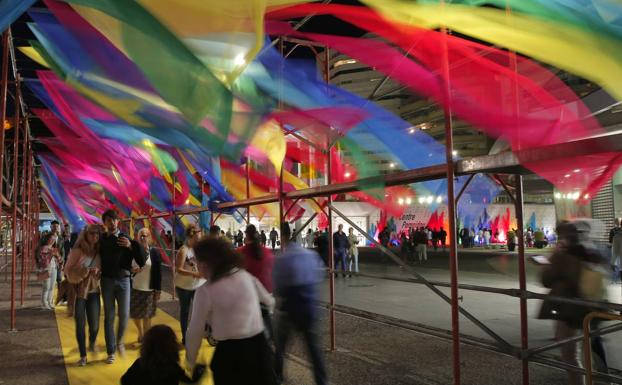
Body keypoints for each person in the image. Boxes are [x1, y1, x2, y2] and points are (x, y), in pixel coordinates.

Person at [185, 237, 276, 385]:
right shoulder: (245, 276)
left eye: (198, 262)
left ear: (207, 263)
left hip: (229, 355)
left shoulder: (206, 290)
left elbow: (195, 330)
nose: (197, 267)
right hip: (259, 349)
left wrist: (191, 360)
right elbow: (269, 300)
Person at [538, 221, 608, 385]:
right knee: (591, 347)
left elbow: (546, 279)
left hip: (570, 310)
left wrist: (550, 260)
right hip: (591, 307)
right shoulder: (590, 252)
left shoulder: (563, 255)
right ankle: (605, 378)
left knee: (571, 356)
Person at [273, 223, 327, 385]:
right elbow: (319, 276)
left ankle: (277, 377)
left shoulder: (283, 258)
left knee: (281, 347)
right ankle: (321, 381)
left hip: (290, 308)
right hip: (309, 308)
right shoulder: (310, 255)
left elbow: (278, 286)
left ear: (283, 237)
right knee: (313, 349)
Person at [100, 209, 145, 364]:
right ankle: (111, 351)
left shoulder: (125, 238)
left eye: (114, 219)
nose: (111, 222)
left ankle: (119, 342)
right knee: (109, 317)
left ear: (118, 221)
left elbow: (141, 259)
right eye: (108, 220)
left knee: (124, 315)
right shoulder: (102, 240)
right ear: (104, 223)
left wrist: (131, 246)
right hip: (106, 281)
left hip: (124, 281)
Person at [65, 224, 102, 366]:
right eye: (92, 234)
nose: (95, 236)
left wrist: (98, 272)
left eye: (97, 234)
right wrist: (84, 270)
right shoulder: (77, 251)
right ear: (85, 235)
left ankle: (92, 341)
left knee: (94, 325)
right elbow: (67, 270)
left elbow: (103, 270)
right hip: (79, 291)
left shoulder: (100, 251)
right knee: (80, 324)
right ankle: (83, 355)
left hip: (94, 291)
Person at [122, 325, 204, 385]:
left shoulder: (140, 364)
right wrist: (199, 371)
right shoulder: (173, 367)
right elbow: (190, 381)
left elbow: (124, 380)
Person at [238, 224, 275, 340]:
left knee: (250, 327)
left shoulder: (241, 252)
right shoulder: (267, 251)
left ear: (246, 236)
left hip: (249, 294)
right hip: (266, 292)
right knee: (266, 320)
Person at [174, 224, 206, 345]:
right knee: (185, 311)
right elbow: (179, 269)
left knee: (199, 309)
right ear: (192, 236)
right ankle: (185, 337)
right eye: (198, 235)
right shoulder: (183, 250)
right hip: (184, 286)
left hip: (197, 284)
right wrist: (194, 274)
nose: (200, 237)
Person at [130, 228, 162, 344]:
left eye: (145, 235)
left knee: (147, 316)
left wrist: (158, 290)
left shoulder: (154, 252)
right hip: (135, 287)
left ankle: (146, 339)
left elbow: (158, 272)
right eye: (141, 236)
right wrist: (133, 270)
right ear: (138, 237)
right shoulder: (133, 250)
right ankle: (140, 332)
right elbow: (126, 267)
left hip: (149, 288)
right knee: (136, 315)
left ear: (149, 237)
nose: (143, 238)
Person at [37, 233, 62, 310]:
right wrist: (51, 254)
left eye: (54, 239)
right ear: (47, 239)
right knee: (46, 286)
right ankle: (44, 303)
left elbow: (59, 259)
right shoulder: (43, 248)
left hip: (54, 268)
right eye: (51, 239)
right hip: (46, 269)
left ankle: (50, 302)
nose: (52, 240)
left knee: (52, 286)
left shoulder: (53, 248)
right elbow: (42, 260)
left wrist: (58, 257)